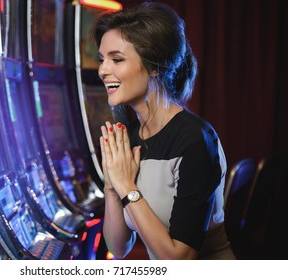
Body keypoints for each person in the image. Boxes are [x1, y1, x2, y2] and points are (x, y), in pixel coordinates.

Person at [93, 1, 236, 260]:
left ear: (154, 65)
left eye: (116, 59)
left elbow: (179, 260)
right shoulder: (130, 136)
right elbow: (118, 248)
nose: (103, 70)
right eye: (102, 60)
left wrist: (125, 184)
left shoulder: (195, 139)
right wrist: (112, 187)